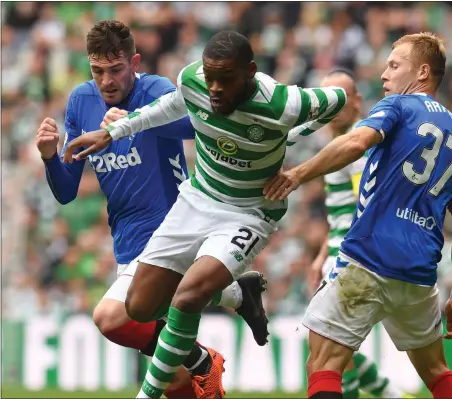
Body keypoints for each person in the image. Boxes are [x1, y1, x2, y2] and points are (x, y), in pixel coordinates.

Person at [62, 30, 347, 398]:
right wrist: (114, 132)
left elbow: (337, 100)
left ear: (250, 73)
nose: (213, 88)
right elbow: (172, 106)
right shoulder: (192, 80)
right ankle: (233, 297)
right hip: (198, 200)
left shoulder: (284, 104)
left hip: (249, 212)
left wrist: (293, 150)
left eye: (224, 79)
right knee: (139, 307)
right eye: (209, 77)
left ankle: (156, 388)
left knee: (183, 299)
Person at [35, 21, 269, 399]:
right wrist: (49, 158)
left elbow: (197, 126)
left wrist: (129, 124)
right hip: (126, 241)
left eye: (115, 70)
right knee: (174, 380)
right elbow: (65, 192)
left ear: (134, 63)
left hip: (172, 229)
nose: (106, 81)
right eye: (97, 71)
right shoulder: (81, 101)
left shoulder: (157, 91)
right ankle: (235, 298)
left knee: (110, 319)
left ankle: (204, 358)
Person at [264, 32, 452, 399]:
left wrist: (298, 174)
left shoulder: (399, 105)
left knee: (323, 364)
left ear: (422, 72)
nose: (384, 74)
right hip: (420, 272)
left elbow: (355, 142)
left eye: (394, 65)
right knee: (437, 372)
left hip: (370, 256)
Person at [307, 69, 413, 399]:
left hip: (353, 257)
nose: (333, 105)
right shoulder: (340, 144)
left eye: (341, 97)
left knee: (328, 349)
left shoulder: (358, 147)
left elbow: (366, 208)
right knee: (337, 348)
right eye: (327, 98)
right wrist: (322, 255)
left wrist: (339, 259)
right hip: (339, 251)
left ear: (357, 101)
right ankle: (389, 394)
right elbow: (344, 211)